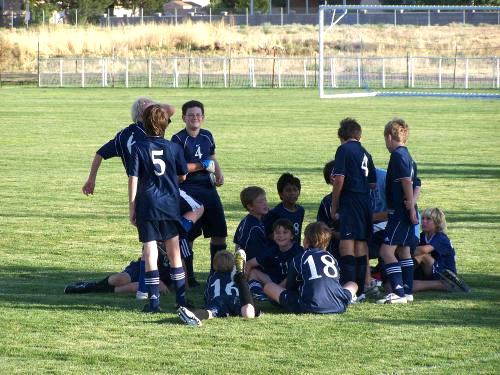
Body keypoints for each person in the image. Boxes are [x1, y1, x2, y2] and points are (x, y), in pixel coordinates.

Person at [81, 97, 204, 293]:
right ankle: (172, 288)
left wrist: (91, 179)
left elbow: (100, 154)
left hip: (141, 194)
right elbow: (170, 108)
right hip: (162, 189)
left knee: (149, 243)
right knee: (194, 211)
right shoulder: (151, 132)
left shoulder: (123, 135)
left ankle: (144, 290)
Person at [128, 104, 188, 312]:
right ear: (166, 124)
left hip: (148, 204)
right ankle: (181, 300)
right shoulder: (174, 147)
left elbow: (133, 179)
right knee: (174, 253)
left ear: (144, 124)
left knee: (150, 250)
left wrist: (132, 206)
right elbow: (183, 175)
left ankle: (154, 303)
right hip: (170, 204)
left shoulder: (139, 147)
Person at [171, 100, 228, 270]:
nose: (194, 118)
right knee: (188, 235)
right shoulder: (178, 139)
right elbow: (178, 169)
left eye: (198, 115)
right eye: (190, 115)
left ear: (202, 117)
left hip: (209, 190)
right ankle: (189, 275)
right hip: (188, 191)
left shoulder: (207, 136)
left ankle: (216, 273)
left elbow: (212, 157)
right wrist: (201, 166)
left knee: (219, 233)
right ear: (183, 118)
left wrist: (219, 174)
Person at [263, 222, 358, 314]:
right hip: (338, 305)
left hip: (308, 305)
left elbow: (290, 286)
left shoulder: (300, 257)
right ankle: (349, 299)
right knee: (352, 284)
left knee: (269, 287)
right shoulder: (331, 257)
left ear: (306, 241)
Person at [330, 118, 376, 301]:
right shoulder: (366, 153)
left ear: (342, 136)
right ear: (359, 135)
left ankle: (349, 290)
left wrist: (334, 205)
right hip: (365, 201)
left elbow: (339, 179)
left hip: (351, 200)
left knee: (346, 243)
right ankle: (360, 290)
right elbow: (372, 183)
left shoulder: (343, 150)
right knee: (361, 245)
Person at [377, 118, 419, 304]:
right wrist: (413, 203)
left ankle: (399, 292)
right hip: (406, 210)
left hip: (400, 212)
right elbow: (418, 183)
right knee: (404, 251)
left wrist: (409, 207)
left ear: (388, 136)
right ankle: (408, 292)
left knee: (386, 251)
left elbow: (407, 182)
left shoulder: (397, 155)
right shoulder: (409, 156)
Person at [177, 250, 256, 326]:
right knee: (247, 311)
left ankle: (193, 315)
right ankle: (240, 275)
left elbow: (207, 294)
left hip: (217, 300)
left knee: (209, 312)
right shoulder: (232, 276)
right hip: (235, 298)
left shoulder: (212, 277)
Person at [64, 243, 172, 295]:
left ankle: (90, 287)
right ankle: (94, 285)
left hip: (163, 275)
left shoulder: (176, 233)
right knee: (118, 280)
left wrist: (184, 288)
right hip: (143, 266)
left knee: (138, 286)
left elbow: (180, 263)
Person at [412, 208, 470, 293]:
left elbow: (423, 250)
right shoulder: (422, 236)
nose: (424, 221)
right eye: (423, 218)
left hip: (444, 274)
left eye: (428, 219)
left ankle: (443, 284)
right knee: (392, 286)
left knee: (423, 255)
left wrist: (406, 250)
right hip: (429, 271)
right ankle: (404, 279)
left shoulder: (441, 237)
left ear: (437, 223)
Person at [245, 219, 303, 300]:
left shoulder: (298, 252)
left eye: (285, 232)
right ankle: (258, 294)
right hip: (274, 282)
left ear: (292, 236)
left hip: (292, 285)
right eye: (277, 232)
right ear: (273, 236)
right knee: (253, 272)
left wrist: (275, 289)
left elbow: (293, 276)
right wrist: (242, 282)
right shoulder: (273, 250)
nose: (281, 235)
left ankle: (269, 294)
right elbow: (250, 263)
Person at [263, 173, 305, 245]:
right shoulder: (274, 213)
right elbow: (267, 234)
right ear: (280, 193)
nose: (292, 193)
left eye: (295, 190)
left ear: (299, 192)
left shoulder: (301, 210)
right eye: (288, 190)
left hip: (295, 251)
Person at [233, 186, 270, 261]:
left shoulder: (246, 220)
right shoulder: (254, 228)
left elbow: (237, 244)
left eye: (265, 200)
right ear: (250, 206)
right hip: (251, 265)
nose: (265, 203)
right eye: (260, 202)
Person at [317, 160, 340, 258]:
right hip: (332, 249)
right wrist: (333, 233)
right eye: (333, 176)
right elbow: (321, 225)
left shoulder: (355, 199)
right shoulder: (326, 202)